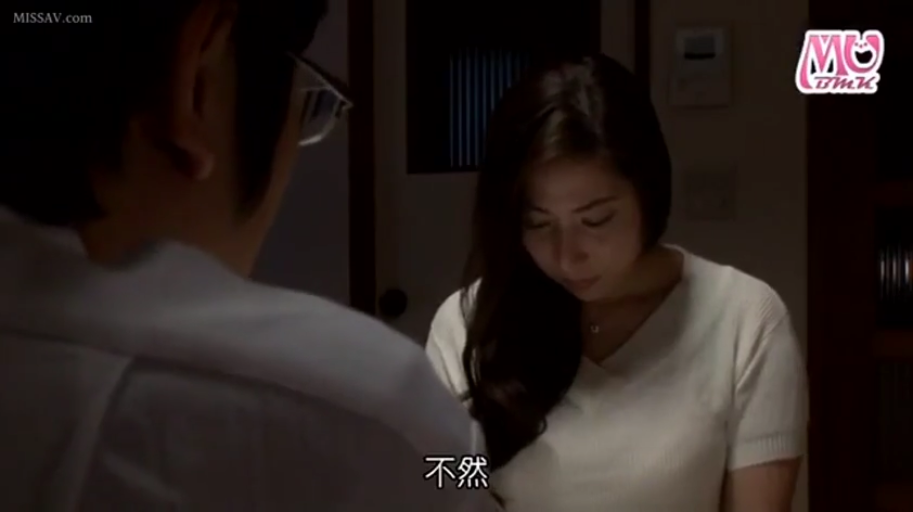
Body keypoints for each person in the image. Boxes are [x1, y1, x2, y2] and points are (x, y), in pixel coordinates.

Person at [2, 1, 498, 510]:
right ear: (198, 77)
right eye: (536, 219)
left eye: (585, 219)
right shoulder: (374, 407)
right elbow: (456, 478)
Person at [425, 53, 808, 511]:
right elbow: (442, 483)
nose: (568, 255)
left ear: (648, 194)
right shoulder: (468, 324)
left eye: (596, 220)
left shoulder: (744, 320)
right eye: (539, 223)